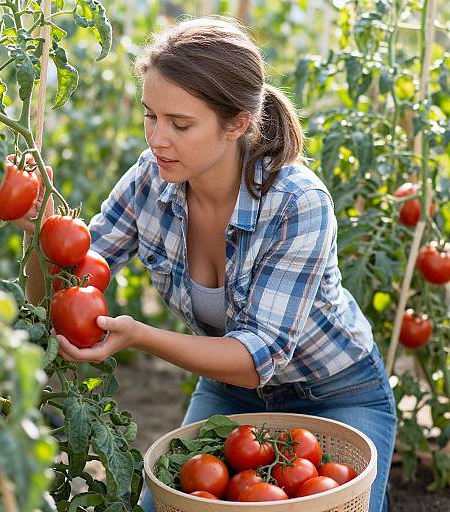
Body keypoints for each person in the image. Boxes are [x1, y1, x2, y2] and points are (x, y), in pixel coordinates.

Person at [21, 17, 397, 512]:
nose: (157, 139)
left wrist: (141, 336)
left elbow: (255, 359)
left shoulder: (296, 201)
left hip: (336, 394)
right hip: (231, 396)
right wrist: (41, 236)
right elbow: (63, 288)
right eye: (150, 116)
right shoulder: (149, 181)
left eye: (180, 124)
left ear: (237, 123)